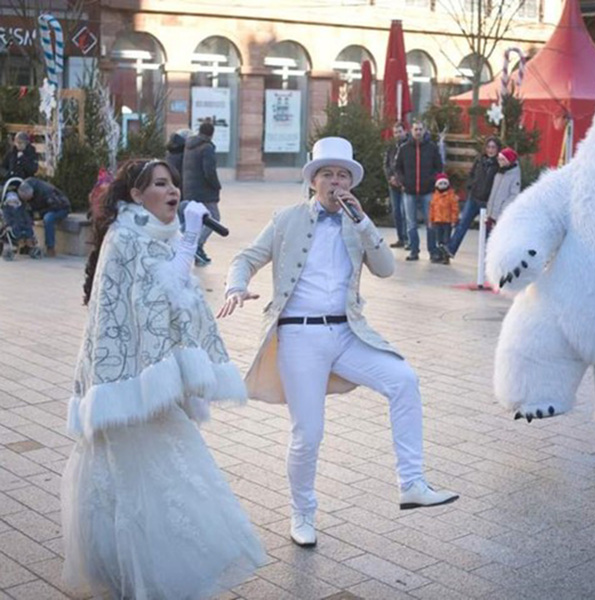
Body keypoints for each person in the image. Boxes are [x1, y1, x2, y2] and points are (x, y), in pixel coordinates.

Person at [218, 137, 459, 548]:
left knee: (403, 379)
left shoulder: (356, 223)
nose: (335, 181)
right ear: (313, 181)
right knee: (308, 433)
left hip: (348, 334)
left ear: (351, 181)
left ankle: (412, 483)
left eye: (342, 174)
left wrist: (365, 223)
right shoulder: (286, 218)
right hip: (299, 335)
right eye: (327, 174)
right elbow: (246, 258)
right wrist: (236, 286)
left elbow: (385, 270)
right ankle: (303, 511)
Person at [61, 159, 265, 599]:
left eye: (173, 183)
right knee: (142, 482)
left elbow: (175, 307)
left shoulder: (152, 236)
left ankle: (131, 575)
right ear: (136, 195)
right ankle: (139, 576)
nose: (172, 190)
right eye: (159, 184)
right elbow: (158, 297)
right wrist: (190, 239)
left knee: (151, 479)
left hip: (146, 389)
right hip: (128, 389)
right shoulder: (127, 237)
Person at [395, 121, 443, 262]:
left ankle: (432, 251)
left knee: (430, 222)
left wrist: (432, 180)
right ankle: (414, 251)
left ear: (424, 130)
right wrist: (403, 181)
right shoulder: (404, 149)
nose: (418, 132)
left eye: (420, 129)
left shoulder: (432, 148)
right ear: (411, 130)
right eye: (416, 129)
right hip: (409, 191)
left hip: (427, 191)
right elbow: (398, 168)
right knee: (411, 223)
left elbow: (438, 167)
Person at [444, 136, 500, 258]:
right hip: (474, 198)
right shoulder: (479, 160)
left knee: (488, 231)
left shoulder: (499, 165)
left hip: (488, 202)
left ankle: (488, 257)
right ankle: (450, 250)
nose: (491, 150)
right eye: (489, 147)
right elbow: (472, 174)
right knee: (462, 224)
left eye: (493, 147)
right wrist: (470, 186)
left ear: (497, 149)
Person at [182, 120, 222, 266]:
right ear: (211, 134)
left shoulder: (189, 146)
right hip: (204, 191)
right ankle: (197, 246)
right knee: (214, 218)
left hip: (190, 188)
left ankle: (191, 248)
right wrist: (216, 186)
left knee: (195, 219)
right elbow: (209, 172)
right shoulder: (207, 148)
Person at [17, 178, 70, 257]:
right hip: (44, 208)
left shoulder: (46, 191)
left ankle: (50, 248)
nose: (27, 201)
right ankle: (27, 242)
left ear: (32, 194)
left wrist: (39, 214)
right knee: (25, 216)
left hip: (60, 207)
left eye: (28, 199)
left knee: (48, 218)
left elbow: (56, 206)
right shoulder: (26, 187)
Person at [384, 121, 408, 249]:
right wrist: (390, 177)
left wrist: (402, 180)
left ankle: (407, 238)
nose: (398, 134)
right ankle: (400, 238)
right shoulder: (392, 147)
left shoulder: (409, 146)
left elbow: (409, 166)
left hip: (405, 184)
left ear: (405, 131)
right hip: (393, 184)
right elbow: (386, 164)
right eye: (395, 132)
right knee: (396, 212)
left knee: (406, 212)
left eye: (400, 131)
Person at [486, 147, 522, 232]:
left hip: (501, 213)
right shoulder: (500, 171)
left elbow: (514, 195)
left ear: (508, 161)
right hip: (492, 213)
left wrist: (502, 208)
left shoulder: (514, 175)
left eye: (502, 159)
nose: (499, 161)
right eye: (499, 159)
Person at [430, 173, 459, 265]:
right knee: (439, 240)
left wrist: (454, 220)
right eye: (440, 184)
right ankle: (439, 255)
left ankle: (446, 257)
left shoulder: (451, 196)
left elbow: (455, 209)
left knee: (446, 239)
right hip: (437, 221)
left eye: (444, 183)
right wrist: (431, 220)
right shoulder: (434, 196)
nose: (442, 186)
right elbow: (432, 209)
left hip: (447, 222)